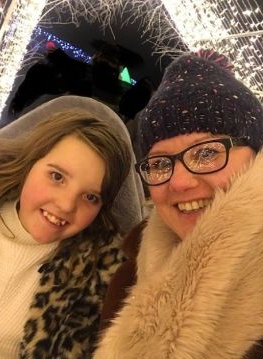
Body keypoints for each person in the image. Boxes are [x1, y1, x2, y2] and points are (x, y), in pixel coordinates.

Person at [93, 49, 263, 359]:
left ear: (255, 155)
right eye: (159, 163)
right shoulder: (126, 281)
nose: (179, 182)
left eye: (207, 153)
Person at [0, 107, 133, 359]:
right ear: (29, 163)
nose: (67, 205)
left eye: (90, 197)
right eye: (57, 176)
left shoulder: (97, 279)